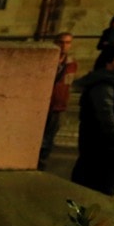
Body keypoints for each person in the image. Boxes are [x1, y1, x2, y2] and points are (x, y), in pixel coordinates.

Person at [70, 44, 114, 196]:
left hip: (104, 146)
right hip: (102, 147)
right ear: (108, 62)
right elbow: (106, 115)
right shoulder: (104, 84)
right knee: (97, 188)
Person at [38, 31, 78, 170]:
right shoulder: (47, 60)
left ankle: (42, 162)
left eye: (67, 43)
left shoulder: (71, 63)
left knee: (49, 137)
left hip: (58, 105)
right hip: (44, 104)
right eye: (61, 42)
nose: (64, 46)